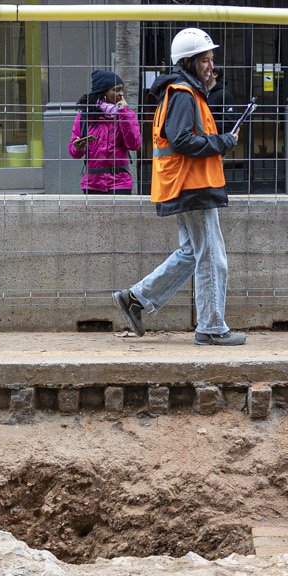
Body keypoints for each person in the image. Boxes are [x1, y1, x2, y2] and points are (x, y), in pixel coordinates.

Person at [112, 27, 244, 347]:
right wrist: (223, 142)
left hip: (186, 185)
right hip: (192, 186)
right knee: (212, 258)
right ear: (187, 63)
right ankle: (211, 327)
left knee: (190, 253)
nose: (211, 66)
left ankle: (136, 299)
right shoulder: (184, 95)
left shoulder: (183, 92)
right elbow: (183, 141)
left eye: (212, 59)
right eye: (205, 60)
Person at [69, 69, 141, 195]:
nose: (121, 94)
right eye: (116, 89)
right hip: (92, 183)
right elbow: (74, 153)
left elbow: (134, 145)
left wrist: (123, 113)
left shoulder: (126, 115)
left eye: (122, 89)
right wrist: (78, 147)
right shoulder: (84, 117)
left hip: (119, 183)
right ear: (103, 92)